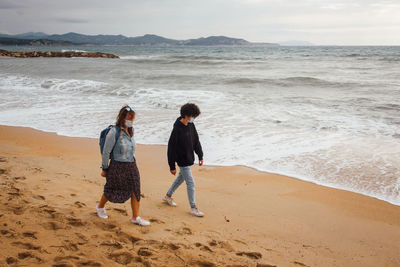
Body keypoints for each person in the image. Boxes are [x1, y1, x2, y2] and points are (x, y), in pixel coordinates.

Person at [96, 105, 150, 226]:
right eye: (128, 118)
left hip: (131, 165)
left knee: (135, 189)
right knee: (112, 188)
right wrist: (105, 168)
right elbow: (106, 152)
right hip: (117, 166)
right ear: (122, 118)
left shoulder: (130, 131)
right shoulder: (113, 132)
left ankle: (135, 217)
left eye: (132, 119)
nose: (130, 121)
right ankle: (100, 207)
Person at [163, 103, 205, 217]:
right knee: (190, 183)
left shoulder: (191, 125)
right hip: (181, 159)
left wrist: (200, 155)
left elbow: (196, 140)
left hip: (189, 157)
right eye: (193, 116)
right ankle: (193, 207)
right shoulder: (177, 129)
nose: (193, 119)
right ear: (186, 115)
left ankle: (168, 196)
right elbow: (171, 148)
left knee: (181, 179)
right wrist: (171, 166)